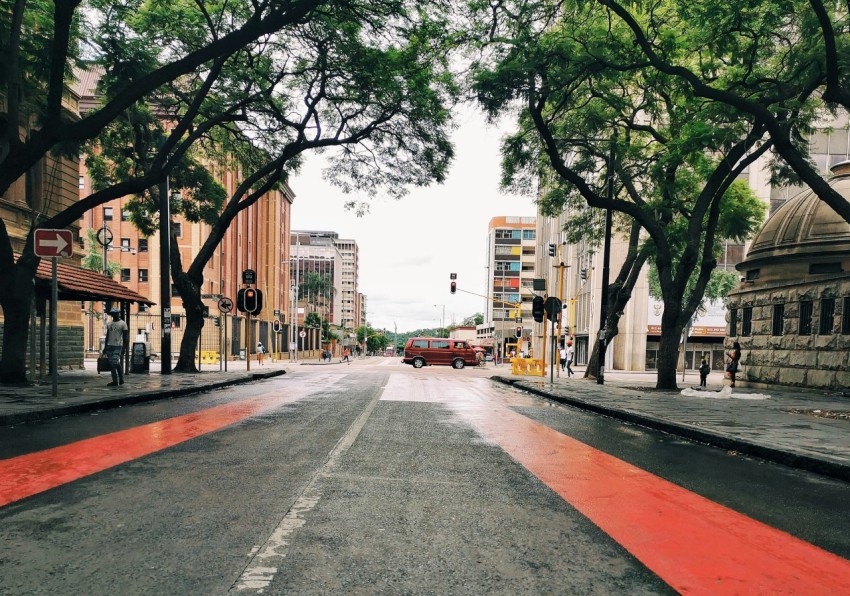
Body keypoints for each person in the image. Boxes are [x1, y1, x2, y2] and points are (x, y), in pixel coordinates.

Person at [103, 307, 128, 387]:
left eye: (115, 313)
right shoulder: (109, 324)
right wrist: (105, 347)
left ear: (118, 314)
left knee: (113, 363)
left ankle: (116, 380)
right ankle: (119, 379)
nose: (114, 315)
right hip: (110, 346)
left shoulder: (123, 324)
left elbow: (125, 337)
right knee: (113, 363)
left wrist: (124, 348)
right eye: (113, 314)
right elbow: (107, 336)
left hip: (118, 346)